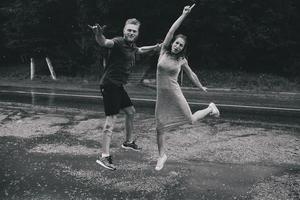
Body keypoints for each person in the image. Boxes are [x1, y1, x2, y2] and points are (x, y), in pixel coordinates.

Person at [155, 4, 220, 171]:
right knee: (159, 127)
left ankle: (210, 108)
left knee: (190, 120)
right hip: (161, 96)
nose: (177, 46)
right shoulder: (163, 51)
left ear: (183, 49)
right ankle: (162, 156)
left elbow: (191, 75)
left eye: (180, 46)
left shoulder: (181, 60)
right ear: (172, 43)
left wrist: (200, 87)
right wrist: (183, 15)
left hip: (175, 93)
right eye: (176, 43)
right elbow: (171, 30)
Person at [90, 19, 160, 170]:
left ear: (137, 33)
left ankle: (128, 142)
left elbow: (140, 50)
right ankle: (104, 156)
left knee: (130, 111)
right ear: (124, 31)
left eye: (134, 31)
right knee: (110, 121)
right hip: (109, 85)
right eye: (129, 30)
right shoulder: (119, 42)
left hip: (118, 86)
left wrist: (155, 47)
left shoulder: (131, 46)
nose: (131, 33)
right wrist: (98, 34)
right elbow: (104, 42)